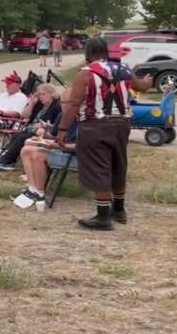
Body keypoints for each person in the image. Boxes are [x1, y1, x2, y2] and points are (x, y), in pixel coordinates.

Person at [56, 36, 152, 230]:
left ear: (88, 53)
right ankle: (119, 210)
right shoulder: (123, 70)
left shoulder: (86, 74)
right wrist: (147, 81)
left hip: (95, 125)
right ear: (106, 51)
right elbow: (141, 87)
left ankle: (103, 218)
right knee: (118, 164)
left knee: (99, 167)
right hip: (122, 124)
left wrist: (62, 129)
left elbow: (74, 104)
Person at [0, 83, 62, 171]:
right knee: (17, 135)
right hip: (31, 129)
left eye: (43, 94)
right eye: (39, 94)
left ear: (52, 94)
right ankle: (3, 158)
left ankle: (6, 161)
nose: (41, 97)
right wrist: (31, 104)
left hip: (44, 132)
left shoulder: (56, 107)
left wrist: (43, 125)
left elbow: (56, 124)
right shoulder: (39, 105)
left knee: (23, 137)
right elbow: (24, 115)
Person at [10, 121, 80, 209]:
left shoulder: (86, 120)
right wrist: (45, 134)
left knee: (38, 155)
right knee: (26, 150)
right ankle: (32, 189)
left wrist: (56, 146)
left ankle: (39, 193)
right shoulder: (66, 116)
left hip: (77, 158)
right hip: (63, 152)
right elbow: (56, 136)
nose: (63, 107)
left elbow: (82, 146)